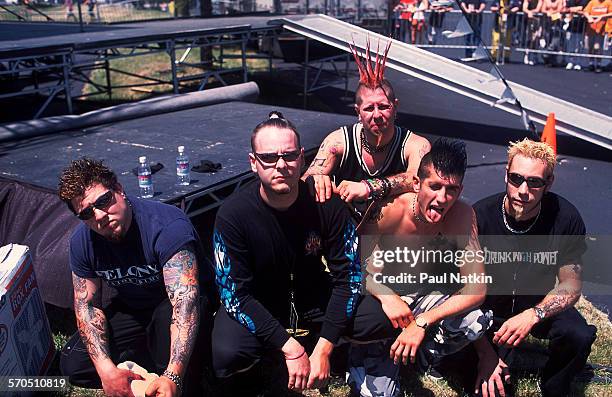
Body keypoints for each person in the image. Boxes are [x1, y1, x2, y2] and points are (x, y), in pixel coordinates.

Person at [211, 112, 394, 396]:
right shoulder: (233, 215)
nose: (281, 165)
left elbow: (349, 277)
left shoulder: (326, 203)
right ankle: (268, 364)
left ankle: (337, 353)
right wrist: (290, 348)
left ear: (302, 158)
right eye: (269, 157)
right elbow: (234, 295)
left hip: (311, 296)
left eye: (289, 155)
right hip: (260, 301)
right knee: (227, 352)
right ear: (253, 163)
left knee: (378, 318)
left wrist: (324, 348)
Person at [348, 138, 491, 397]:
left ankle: (424, 354)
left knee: (476, 320)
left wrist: (422, 323)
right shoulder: (389, 210)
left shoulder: (462, 215)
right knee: (380, 394)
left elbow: (477, 288)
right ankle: (364, 355)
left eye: (451, 190)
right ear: (417, 184)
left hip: (426, 297)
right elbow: (356, 268)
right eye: (434, 186)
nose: (442, 198)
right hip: (385, 305)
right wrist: (386, 295)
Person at [58, 158, 208, 397]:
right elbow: (87, 307)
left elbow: (185, 304)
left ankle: (173, 379)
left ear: (119, 189)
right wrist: (106, 371)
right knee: (73, 365)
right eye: (86, 213)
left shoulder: (166, 226)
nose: (99, 216)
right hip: (134, 307)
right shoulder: (82, 241)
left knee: (165, 340)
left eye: (103, 201)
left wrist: (173, 375)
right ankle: (138, 372)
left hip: (177, 305)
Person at [472, 139, 596, 397]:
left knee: (578, 335)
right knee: (492, 388)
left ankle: (554, 387)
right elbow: (461, 294)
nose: (523, 190)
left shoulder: (565, 218)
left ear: (548, 183)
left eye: (534, 182)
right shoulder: (479, 216)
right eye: (516, 179)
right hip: (486, 311)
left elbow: (571, 285)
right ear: (506, 174)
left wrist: (534, 314)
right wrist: (485, 354)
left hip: (536, 303)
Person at [302, 38, 430, 212]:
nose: (377, 115)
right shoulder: (338, 141)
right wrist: (316, 179)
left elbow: (416, 179)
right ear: (358, 112)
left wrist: (368, 187)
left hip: (393, 229)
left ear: (395, 107)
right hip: (345, 227)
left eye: (384, 107)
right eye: (369, 108)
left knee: (415, 199)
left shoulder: (415, 144)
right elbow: (309, 177)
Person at [583, 0, 612, 72]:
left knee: (598, 46)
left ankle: (598, 64)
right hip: (591, 28)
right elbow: (585, 11)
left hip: (602, 28)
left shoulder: (608, 2)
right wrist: (589, 17)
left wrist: (602, 16)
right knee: (590, 46)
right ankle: (591, 63)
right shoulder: (592, 2)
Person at [522, 0, 544, 65]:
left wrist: (531, 12)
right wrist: (529, 12)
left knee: (536, 39)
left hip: (537, 21)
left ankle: (534, 56)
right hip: (529, 22)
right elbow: (524, 8)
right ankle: (526, 55)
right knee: (529, 39)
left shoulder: (539, 1)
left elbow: (538, 9)